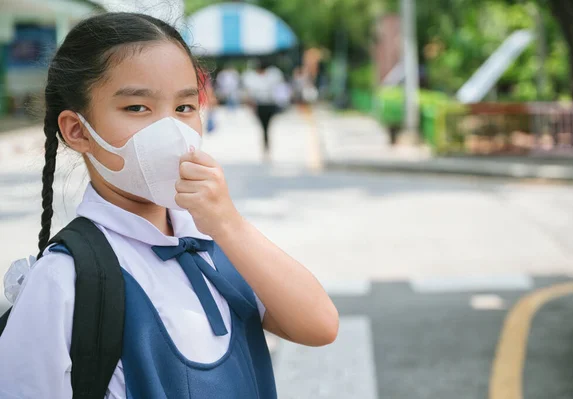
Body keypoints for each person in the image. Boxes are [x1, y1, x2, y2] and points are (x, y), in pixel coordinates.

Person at [0, 13, 338, 398]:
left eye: (184, 108)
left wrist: (228, 224)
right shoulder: (66, 278)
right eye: (137, 108)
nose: (170, 130)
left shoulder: (214, 241)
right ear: (78, 131)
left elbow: (319, 325)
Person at [243, 61, 285, 160]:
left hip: (269, 104)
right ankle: (266, 146)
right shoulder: (253, 78)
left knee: (267, 126)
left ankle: (267, 146)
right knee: (264, 127)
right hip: (260, 105)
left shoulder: (272, 75)